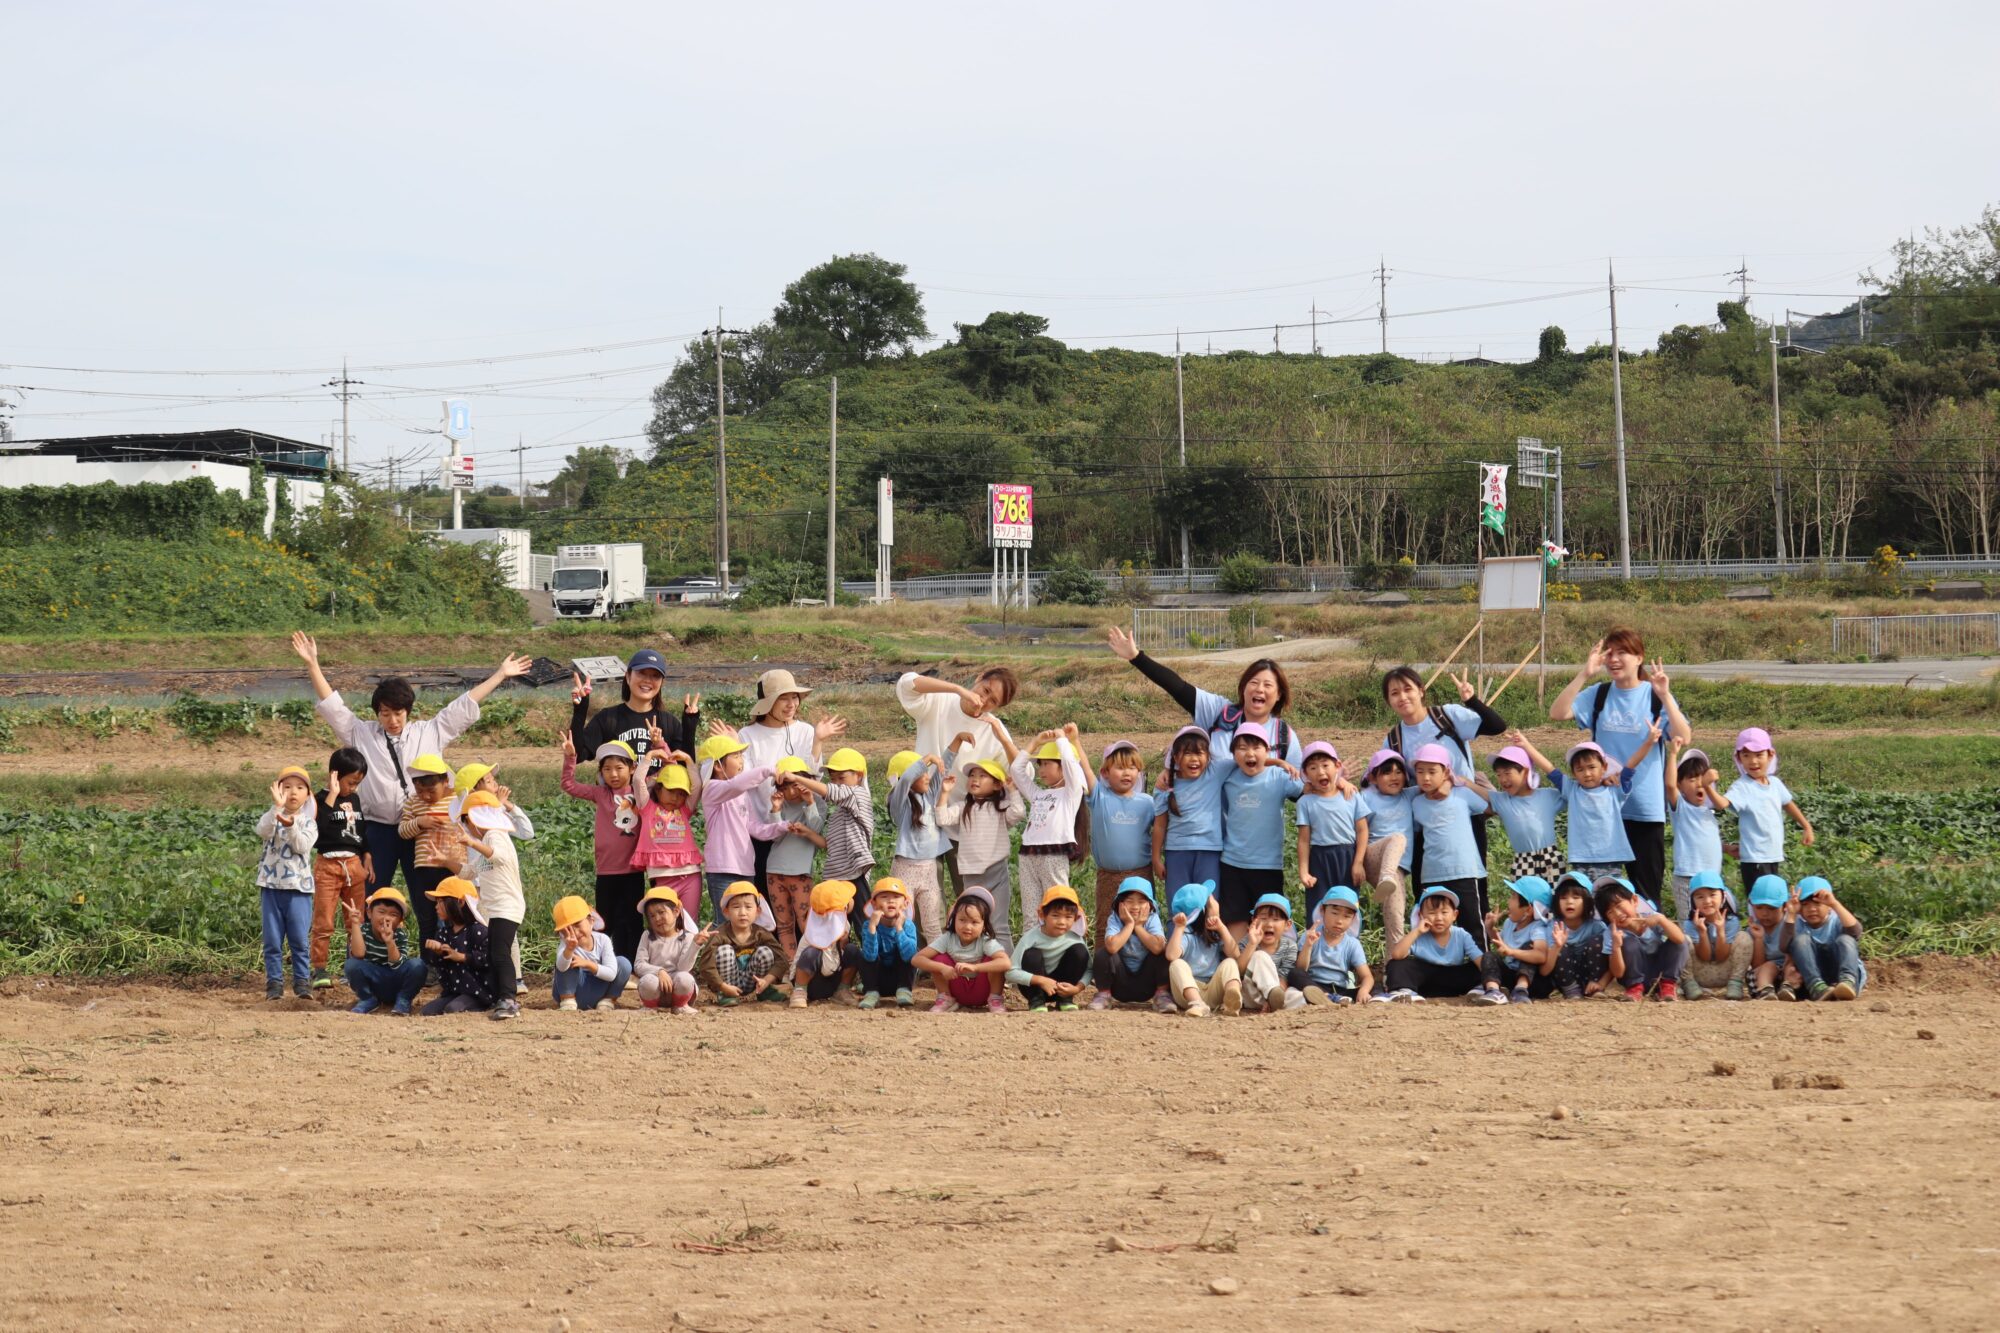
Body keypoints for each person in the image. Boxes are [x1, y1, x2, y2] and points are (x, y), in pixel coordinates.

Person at [289, 631, 528, 904]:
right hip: (378, 828)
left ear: (408, 711)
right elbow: (334, 708)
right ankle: (364, 934)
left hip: (424, 827)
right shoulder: (361, 734)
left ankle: (437, 933)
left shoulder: (431, 731)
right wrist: (312, 664)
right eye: (385, 714)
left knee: (431, 894)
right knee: (370, 893)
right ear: (377, 713)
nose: (392, 720)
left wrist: (500, 674)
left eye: (398, 713)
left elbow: (464, 705)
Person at [1548, 629, 1693, 903]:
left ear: (1639, 657)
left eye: (1622, 652)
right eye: (1609, 653)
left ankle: (1648, 931)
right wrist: (1584, 674)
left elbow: (1683, 737)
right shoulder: (1599, 694)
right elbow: (1557, 712)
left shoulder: (1654, 696)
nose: (1613, 659)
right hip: (1602, 813)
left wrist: (1665, 696)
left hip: (1645, 810)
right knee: (1600, 896)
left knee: (1646, 894)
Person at [1107, 628, 1304, 774]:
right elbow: (1178, 687)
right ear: (1243, 688)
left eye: (1268, 685)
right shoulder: (1221, 712)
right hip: (1211, 817)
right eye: (1253, 682)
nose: (1259, 689)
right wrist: (1136, 657)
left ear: (1279, 694)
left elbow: (1299, 788)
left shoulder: (1284, 736)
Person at [1378, 664, 1509, 881]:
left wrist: (1471, 700)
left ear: (1421, 690)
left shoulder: (1446, 716)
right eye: (1394, 693)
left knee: (1472, 880)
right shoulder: (1393, 740)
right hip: (1426, 820)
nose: (1403, 697)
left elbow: (1497, 727)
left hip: (1466, 814)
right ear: (1388, 701)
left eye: (1408, 689)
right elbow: (1387, 783)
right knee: (1426, 886)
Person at [739, 668, 844, 889]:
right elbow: (744, 779)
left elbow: (813, 775)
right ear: (767, 703)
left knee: (796, 892)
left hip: (796, 828)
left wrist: (818, 741)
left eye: (794, 697)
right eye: (783, 698)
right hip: (761, 825)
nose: (791, 704)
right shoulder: (747, 735)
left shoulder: (805, 731)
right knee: (761, 890)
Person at [1518, 731, 1656, 883]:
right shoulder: (1571, 790)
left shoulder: (1614, 790)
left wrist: (1649, 742)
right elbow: (1549, 768)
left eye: (1591, 767)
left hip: (1610, 857)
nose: (1587, 773)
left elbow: (1630, 766)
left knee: (1607, 895)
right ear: (1573, 773)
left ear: (1604, 767)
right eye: (1580, 769)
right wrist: (1526, 745)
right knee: (1583, 896)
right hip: (1581, 858)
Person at [559, 734, 647, 961]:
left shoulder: (640, 792)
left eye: (619, 768)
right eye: (607, 769)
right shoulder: (600, 794)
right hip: (606, 871)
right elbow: (569, 785)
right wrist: (570, 758)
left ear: (632, 768)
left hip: (633, 870)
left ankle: (632, 966)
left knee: (632, 920)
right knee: (606, 921)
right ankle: (604, 964)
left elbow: (664, 777)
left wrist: (659, 746)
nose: (613, 774)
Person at [1217, 722, 1305, 936]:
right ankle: (1238, 957)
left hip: (1268, 865)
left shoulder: (1280, 777)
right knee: (1235, 919)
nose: (1250, 753)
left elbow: (1310, 789)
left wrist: (1339, 782)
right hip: (1232, 863)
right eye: (1242, 748)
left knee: (1269, 923)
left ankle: (1272, 957)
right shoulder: (1228, 778)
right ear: (1233, 754)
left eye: (1257, 747)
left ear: (1267, 751)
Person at [935, 748, 1027, 950]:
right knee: (976, 923)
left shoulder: (1000, 807)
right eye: (972, 776)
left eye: (982, 776)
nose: (974, 779)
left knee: (999, 924)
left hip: (996, 871)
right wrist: (945, 793)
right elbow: (942, 818)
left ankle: (1007, 966)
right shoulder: (963, 807)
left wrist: (1012, 790)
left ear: (997, 785)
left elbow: (1019, 812)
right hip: (971, 875)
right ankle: (980, 962)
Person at [567, 648, 702, 781]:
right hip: (620, 796)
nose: (648, 680)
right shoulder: (608, 718)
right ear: (628, 676)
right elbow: (577, 755)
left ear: (662, 682)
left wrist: (689, 728)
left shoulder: (669, 723)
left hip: (655, 796)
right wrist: (580, 710)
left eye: (655, 676)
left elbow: (684, 770)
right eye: (642, 673)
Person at [1005, 724, 1090, 932]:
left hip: (1053, 855)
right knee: (1031, 914)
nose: (1041, 770)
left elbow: (1071, 765)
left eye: (1047, 764)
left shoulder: (1071, 792)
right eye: (1040, 764)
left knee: (1059, 908)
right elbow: (1016, 770)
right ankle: (1030, 949)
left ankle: (1066, 947)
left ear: (1062, 766)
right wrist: (1035, 742)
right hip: (1028, 855)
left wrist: (1062, 740)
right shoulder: (1038, 794)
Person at [1407, 742, 1492, 944]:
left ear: (1445, 772)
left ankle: (1483, 963)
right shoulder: (1416, 803)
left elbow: (1490, 808)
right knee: (1434, 927)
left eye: (1432, 772)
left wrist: (1465, 783)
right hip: (1432, 874)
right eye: (1420, 772)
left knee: (1473, 924)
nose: (1426, 778)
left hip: (1465, 871)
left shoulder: (1462, 794)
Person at [693, 729, 779, 925]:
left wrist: (782, 827)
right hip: (722, 868)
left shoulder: (742, 794)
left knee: (745, 924)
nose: (741, 760)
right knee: (724, 924)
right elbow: (736, 785)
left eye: (741, 755)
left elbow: (754, 827)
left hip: (745, 868)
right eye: (736, 756)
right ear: (717, 765)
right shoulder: (711, 789)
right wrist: (768, 770)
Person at [457, 790, 526, 1020]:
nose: (467, 828)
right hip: (496, 907)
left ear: (477, 818)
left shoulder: (496, 835)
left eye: (467, 822)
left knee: (500, 954)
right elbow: (469, 872)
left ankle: (509, 1000)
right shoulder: (487, 840)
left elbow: (499, 857)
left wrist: (472, 843)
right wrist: (444, 861)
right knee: (494, 953)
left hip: (507, 904)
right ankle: (499, 997)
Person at [750, 756, 829, 955]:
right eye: (784, 788)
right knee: (784, 923)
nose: (790, 792)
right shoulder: (780, 803)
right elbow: (774, 837)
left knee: (806, 919)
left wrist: (809, 802)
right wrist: (776, 810)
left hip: (800, 872)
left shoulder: (818, 802)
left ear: (804, 780)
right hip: (774, 870)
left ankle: (813, 962)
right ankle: (791, 965)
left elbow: (815, 829)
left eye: (794, 785)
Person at [308, 747, 371, 991]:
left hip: (353, 865)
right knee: (323, 919)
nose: (353, 788)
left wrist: (367, 854)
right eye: (350, 782)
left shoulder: (354, 799)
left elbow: (360, 829)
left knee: (355, 919)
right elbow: (317, 829)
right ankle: (319, 968)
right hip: (328, 865)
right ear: (334, 775)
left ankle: (353, 968)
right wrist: (333, 795)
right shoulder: (317, 800)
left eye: (357, 783)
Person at [1725, 727, 1815, 899]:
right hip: (1755, 859)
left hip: (1773, 855)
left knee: (1773, 900)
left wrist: (1806, 826)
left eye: (1759, 755)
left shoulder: (1775, 783)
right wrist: (1709, 789)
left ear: (1770, 755)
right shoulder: (1742, 786)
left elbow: (1788, 804)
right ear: (1739, 758)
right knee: (1760, 902)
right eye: (1746, 755)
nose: (1753, 761)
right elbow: (1724, 803)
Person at [255, 765, 319, 1000]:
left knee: (299, 940)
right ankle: (274, 984)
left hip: (299, 890)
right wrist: (276, 808)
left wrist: (291, 827)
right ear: (278, 790)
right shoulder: (271, 816)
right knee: (272, 941)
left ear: (308, 795)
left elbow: (301, 845)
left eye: (300, 787)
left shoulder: (309, 823)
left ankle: (302, 983)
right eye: (287, 787)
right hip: (271, 887)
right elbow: (262, 831)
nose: (293, 792)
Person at [895, 665, 1019, 782]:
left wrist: (1005, 741)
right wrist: (957, 689)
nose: (984, 699)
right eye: (986, 690)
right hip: (921, 795)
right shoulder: (939, 700)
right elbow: (906, 684)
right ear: (979, 678)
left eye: (993, 701)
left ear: (997, 707)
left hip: (961, 798)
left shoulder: (995, 729)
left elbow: (1021, 773)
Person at [1474, 734, 1565, 886]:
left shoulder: (1548, 795)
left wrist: (1527, 746)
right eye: (1499, 775)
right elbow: (1482, 792)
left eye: (1507, 773)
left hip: (1551, 858)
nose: (1503, 779)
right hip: (1522, 860)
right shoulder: (1503, 800)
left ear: (1526, 772)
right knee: (1523, 898)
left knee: (1555, 896)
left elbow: (1569, 789)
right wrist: (1464, 782)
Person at [1084, 739, 1156, 926]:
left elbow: (1161, 831)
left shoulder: (1147, 802)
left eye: (1132, 767)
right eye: (1120, 767)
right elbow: (1086, 770)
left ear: (1139, 772)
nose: (1127, 772)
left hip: (1141, 875)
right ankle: (1105, 948)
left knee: (1143, 922)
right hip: (1108, 876)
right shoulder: (1099, 797)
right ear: (1105, 773)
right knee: (1106, 922)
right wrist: (1074, 741)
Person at [396, 753, 464, 948]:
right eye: (420, 791)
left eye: (431, 791)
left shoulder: (457, 800)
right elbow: (402, 831)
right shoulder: (413, 802)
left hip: (452, 868)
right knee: (427, 919)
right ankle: (428, 960)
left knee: (454, 916)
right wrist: (419, 822)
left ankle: (454, 956)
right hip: (425, 868)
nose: (425, 796)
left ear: (445, 781)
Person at [629, 751, 704, 923]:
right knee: (664, 923)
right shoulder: (647, 807)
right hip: (662, 877)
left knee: (689, 923)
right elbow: (638, 781)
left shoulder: (685, 809)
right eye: (671, 791)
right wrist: (649, 757)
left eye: (681, 793)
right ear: (658, 788)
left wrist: (689, 760)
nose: (676, 798)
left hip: (690, 875)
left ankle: (691, 943)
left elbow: (697, 786)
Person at [883, 751, 949, 945]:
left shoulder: (929, 796)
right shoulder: (899, 804)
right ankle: (904, 962)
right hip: (905, 870)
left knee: (932, 924)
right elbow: (905, 780)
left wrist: (958, 741)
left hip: (929, 870)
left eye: (927, 772)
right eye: (922, 773)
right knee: (902, 920)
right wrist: (927, 758)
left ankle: (937, 962)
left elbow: (943, 768)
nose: (927, 776)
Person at [1353, 749, 1415, 954]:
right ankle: (1386, 877)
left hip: (1396, 869)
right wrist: (1358, 862)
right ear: (1373, 777)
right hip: (1372, 857)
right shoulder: (1367, 796)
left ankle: (1393, 967)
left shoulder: (1409, 796)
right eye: (1387, 772)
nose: (1394, 776)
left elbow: (1434, 784)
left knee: (1396, 915)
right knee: (1398, 838)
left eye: (1399, 771)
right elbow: (1357, 829)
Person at [914, 885, 1012, 1014]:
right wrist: (942, 968)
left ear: (984, 925)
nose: (967, 926)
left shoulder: (985, 941)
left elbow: (1006, 963)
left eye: (974, 922)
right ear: (954, 919)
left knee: (995, 960)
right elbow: (917, 959)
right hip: (956, 991)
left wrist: (975, 968)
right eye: (962, 920)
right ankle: (945, 998)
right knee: (938, 958)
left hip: (982, 992)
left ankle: (995, 999)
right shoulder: (948, 938)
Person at [1151, 726, 1226, 893]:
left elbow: (1242, 760)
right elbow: (1160, 825)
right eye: (1187, 753)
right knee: (1179, 902)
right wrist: (1156, 858)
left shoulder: (1215, 772)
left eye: (1199, 753)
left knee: (1208, 902)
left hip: (1209, 851)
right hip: (1176, 852)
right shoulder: (1165, 785)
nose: (1194, 759)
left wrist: (1279, 762)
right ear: (1176, 757)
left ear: (1208, 757)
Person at [1294, 741, 1362, 923]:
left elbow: (1362, 831)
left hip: (1347, 856)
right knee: (1318, 908)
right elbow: (1303, 840)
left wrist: (1358, 862)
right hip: (1319, 859)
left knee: (1347, 906)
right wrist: (1304, 872)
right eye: (1313, 768)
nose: (1320, 772)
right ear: (1306, 774)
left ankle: (1349, 940)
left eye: (1325, 765)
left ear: (1337, 766)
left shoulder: (1351, 795)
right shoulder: (1305, 802)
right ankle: (1313, 940)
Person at [1664, 740, 1732, 921]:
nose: (1699, 784)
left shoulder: (1708, 812)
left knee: (1713, 921)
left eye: (1703, 779)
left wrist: (1726, 848)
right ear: (1680, 785)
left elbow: (1704, 839)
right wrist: (1673, 754)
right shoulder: (1681, 807)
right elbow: (1669, 785)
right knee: (1689, 922)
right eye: (1692, 779)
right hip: (1688, 877)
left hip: (1712, 879)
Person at [1380, 886, 1485, 1001]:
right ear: (1421, 915)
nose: (1439, 918)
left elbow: (1479, 960)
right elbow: (1397, 954)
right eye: (1432, 912)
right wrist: (1417, 932)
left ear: (1454, 915)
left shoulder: (1461, 935)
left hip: (1455, 981)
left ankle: (1480, 988)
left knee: (1483, 964)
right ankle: (1404, 991)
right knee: (1397, 964)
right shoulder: (1418, 934)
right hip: (1426, 984)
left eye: (1444, 912)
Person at [1594, 875, 1688, 1002]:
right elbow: (1618, 973)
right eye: (1610, 912)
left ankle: (1667, 985)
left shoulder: (1652, 917)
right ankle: (1635, 987)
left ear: (1634, 901)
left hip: (1659, 973)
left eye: (1619, 906)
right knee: (1628, 942)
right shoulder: (1612, 933)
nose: (1617, 914)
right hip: (1632, 977)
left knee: (1679, 940)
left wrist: (1662, 920)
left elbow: (1680, 940)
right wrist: (1616, 947)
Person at [696, 881, 788, 1005]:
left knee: (765, 952)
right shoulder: (720, 934)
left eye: (748, 907)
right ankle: (726, 994)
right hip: (727, 983)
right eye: (736, 907)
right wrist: (722, 986)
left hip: (754, 981)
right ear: (726, 912)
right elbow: (706, 964)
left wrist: (766, 980)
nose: (743, 913)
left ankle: (764, 991)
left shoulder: (761, 933)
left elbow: (782, 959)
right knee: (725, 951)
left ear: (758, 911)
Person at [1089, 876, 1171, 1011]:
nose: (1135, 907)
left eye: (1141, 901)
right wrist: (1129, 924)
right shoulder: (1115, 918)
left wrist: (1138, 926)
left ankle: (1162, 995)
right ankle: (1104, 995)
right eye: (1129, 901)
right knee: (1103, 953)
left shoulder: (1152, 918)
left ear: (1149, 905)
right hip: (1120, 985)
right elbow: (1112, 947)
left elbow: (1157, 948)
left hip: (1147, 986)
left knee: (1164, 951)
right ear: (1120, 903)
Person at [342, 885, 426, 1015]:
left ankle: (403, 1000)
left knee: (418, 965)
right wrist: (355, 923)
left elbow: (396, 964)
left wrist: (389, 941)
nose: (386, 918)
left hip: (396, 981)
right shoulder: (363, 930)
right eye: (381, 912)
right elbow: (358, 954)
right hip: (374, 982)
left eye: (393, 914)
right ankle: (368, 999)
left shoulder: (400, 934)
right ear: (369, 913)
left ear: (400, 920)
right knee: (351, 964)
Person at [1164, 881, 1244, 1017]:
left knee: (1230, 962)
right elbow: (1171, 955)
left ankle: (1232, 999)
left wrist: (1222, 928)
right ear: (1204, 912)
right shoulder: (1186, 934)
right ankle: (1198, 1004)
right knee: (1176, 964)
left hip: (1212, 989)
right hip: (1188, 994)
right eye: (1211, 900)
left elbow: (1235, 954)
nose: (1216, 902)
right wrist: (1179, 928)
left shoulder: (1215, 934)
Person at [1008, 885, 1094, 1011]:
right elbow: (1010, 972)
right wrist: (1040, 980)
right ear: (1042, 915)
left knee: (1079, 951)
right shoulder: (1030, 938)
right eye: (1055, 915)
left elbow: (1089, 969)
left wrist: (1077, 988)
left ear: (1076, 918)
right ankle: (1037, 1001)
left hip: (1062, 989)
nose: (1062, 922)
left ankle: (1065, 1000)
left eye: (1068, 917)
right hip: (1034, 987)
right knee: (1032, 954)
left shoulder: (1075, 938)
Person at [814, 750, 877, 921]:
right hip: (836, 873)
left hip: (853, 870)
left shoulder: (858, 794)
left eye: (841, 778)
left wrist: (797, 779)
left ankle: (872, 940)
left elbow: (831, 792)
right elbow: (829, 844)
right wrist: (806, 832)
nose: (836, 783)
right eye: (833, 779)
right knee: (838, 922)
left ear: (859, 776)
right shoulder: (839, 813)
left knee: (864, 922)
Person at [419, 876, 492, 1015]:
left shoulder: (478, 930)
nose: (436, 906)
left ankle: (485, 1004)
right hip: (454, 991)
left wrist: (462, 957)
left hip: (477, 991)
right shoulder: (444, 933)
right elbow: (437, 963)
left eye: (441, 902)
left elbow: (487, 959)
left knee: (452, 1009)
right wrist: (437, 952)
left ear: (460, 902)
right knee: (427, 1012)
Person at [1289, 886, 1374, 1005]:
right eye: (1334, 913)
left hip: (1340, 990)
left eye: (1346, 916)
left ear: (1353, 919)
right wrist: (1308, 945)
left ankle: (1333, 998)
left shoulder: (1352, 943)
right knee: (1294, 974)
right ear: (1322, 911)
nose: (1339, 921)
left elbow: (1367, 976)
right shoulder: (1310, 935)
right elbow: (1301, 969)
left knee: (1373, 990)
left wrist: (1363, 991)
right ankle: (1324, 997)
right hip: (1314, 986)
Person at [1479, 876, 1555, 1004]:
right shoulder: (1509, 923)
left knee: (1529, 947)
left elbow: (1541, 955)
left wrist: (1511, 952)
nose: (1509, 900)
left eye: (1513, 897)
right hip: (1511, 977)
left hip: (1534, 983)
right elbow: (1502, 947)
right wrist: (1490, 928)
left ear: (1528, 909)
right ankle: (1493, 991)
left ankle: (1521, 990)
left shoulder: (1538, 928)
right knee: (1489, 955)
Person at [633, 885, 707, 1014]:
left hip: (678, 990)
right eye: (652, 915)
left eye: (661, 912)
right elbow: (639, 965)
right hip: (656, 990)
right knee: (647, 981)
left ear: (676, 911)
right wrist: (659, 971)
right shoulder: (647, 936)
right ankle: (650, 1006)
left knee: (685, 978)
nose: (657, 919)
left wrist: (695, 945)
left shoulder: (687, 937)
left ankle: (681, 1005)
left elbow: (684, 968)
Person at [1789, 876, 1864, 1001]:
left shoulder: (1836, 919)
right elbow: (1785, 946)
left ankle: (1848, 983)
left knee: (1846, 939)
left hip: (1840, 970)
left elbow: (1855, 932)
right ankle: (1817, 987)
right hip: (1815, 976)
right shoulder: (1798, 923)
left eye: (1818, 903)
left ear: (1829, 906)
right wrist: (1791, 914)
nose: (1812, 909)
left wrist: (1835, 904)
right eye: (1805, 904)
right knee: (1800, 940)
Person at [551, 894, 631, 1012]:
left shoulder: (603, 940)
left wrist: (587, 964)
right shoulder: (566, 944)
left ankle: (608, 1000)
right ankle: (567, 1000)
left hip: (599, 992)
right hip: (574, 991)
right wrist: (569, 950)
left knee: (624, 964)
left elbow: (611, 973)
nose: (575, 932)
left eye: (577, 924)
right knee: (566, 959)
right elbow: (561, 967)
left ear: (591, 921)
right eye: (567, 929)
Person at [790, 879, 861, 1009]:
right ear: (843, 907)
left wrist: (843, 942)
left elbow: (841, 954)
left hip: (832, 980)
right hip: (812, 984)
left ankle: (842, 989)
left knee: (852, 950)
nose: (852, 901)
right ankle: (799, 991)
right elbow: (815, 962)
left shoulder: (842, 923)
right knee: (812, 952)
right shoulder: (813, 930)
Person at [1680, 870, 1750, 1001]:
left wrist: (1720, 930)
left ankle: (1736, 983)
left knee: (1744, 937)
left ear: (1723, 897)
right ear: (1692, 902)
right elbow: (1704, 957)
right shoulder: (1690, 924)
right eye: (1700, 897)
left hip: (1726, 972)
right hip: (1699, 974)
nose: (1707, 901)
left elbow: (1721, 956)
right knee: (1682, 939)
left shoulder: (1731, 921)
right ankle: (1689, 983)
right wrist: (1702, 932)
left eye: (1712, 895)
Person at [1543, 871, 1608, 999]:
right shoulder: (1553, 927)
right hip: (1564, 978)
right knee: (1560, 948)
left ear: (1587, 901)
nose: (1569, 902)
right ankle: (1571, 989)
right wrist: (1557, 947)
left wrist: (1601, 982)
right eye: (1563, 898)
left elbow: (1610, 958)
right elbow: (1545, 970)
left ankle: (1594, 988)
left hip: (1591, 976)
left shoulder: (1597, 926)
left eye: (1576, 897)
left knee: (1598, 941)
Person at [857, 877, 919, 1009]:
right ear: (874, 904)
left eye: (896, 897)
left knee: (913, 950)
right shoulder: (868, 925)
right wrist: (872, 928)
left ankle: (904, 990)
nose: (891, 900)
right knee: (862, 953)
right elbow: (869, 956)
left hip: (899, 981)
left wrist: (899, 928)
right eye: (884, 897)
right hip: (877, 982)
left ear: (905, 904)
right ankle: (871, 992)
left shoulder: (908, 925)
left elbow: (909, 956)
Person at [1240, 893, 1304, 1013]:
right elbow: (1240, 971)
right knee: (1260, 956)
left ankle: (1277, 1000)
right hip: (1252, 995)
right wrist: (1252, 944)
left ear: (1287, 925)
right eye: (1263, 918)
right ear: (1253, 921)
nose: (1269, 924)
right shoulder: (1247, 942)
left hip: (1279, 993)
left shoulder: (1290, 946)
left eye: (1276, 919)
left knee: (1297, 995)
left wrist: (1274, 996)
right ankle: (1273, 997)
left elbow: (1284, 976)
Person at [1744, 874, 1797, 1000]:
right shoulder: (1753, 929)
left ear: (1785, 906)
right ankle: (1766, 991)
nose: (1764, 913)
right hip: (1764, 976)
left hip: (1790, 974)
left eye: (1772, 908)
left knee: (1791, 967)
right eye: (1759, 907)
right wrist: (1759, 938)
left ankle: (1787, 989)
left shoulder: (1790, 924)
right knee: (1769, 966)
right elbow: (1758, 965)